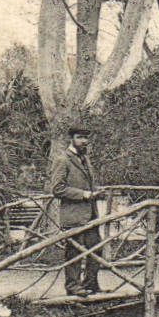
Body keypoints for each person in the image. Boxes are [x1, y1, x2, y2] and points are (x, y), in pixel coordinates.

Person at [47, 127, 104, 296]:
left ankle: (91, 285)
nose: (84, 141)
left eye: (86, 138)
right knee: (74, 252)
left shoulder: (85, 159)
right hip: (73, 216)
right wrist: (85, 195)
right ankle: (73, 287)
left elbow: (85, 184)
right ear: (71, 139)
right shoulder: (62, 160)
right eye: (80, 138)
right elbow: (57, 189)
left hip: (91, 215)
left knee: (96, 249)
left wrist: (96, 193)